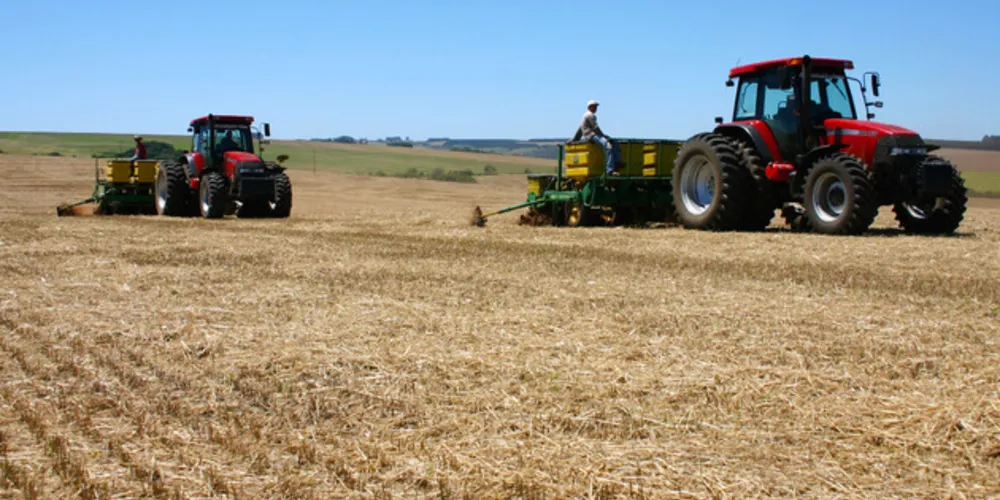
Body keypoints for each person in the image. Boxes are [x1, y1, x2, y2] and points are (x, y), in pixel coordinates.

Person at [568, 99, 620, 175]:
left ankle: (616, 163)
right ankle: (610, 170)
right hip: (591, 135)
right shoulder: (590, 115)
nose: (596, 108)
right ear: (589, 107)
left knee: (614, 141)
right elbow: (596, 128)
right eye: (594, 106)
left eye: (596, 106)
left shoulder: (585, 116)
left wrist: (573, 139)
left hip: (594, 135)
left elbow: (580, 129)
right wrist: (603, 136)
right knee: (608, 146)